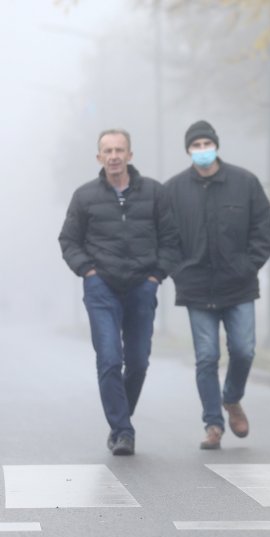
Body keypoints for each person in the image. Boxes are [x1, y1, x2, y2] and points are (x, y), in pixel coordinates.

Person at [59, 129, 180, 456]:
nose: (113, 156)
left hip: (142, 286)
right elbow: (68, 241)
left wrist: (156, 275)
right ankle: (123, 430)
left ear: (129, 155)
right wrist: (88, 271)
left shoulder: (154, 193)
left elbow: (171, 239)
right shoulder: (84, 196)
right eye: (107, 150)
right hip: (102, 288)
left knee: (138, 363)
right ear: (99, 157)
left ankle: (120, 416)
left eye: (119, 150)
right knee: (110, 359)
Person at [165, 120, 270, 450]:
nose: (201, 151)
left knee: (243, 349)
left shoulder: (245, 183)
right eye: (195, 146)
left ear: (216, 146)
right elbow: (166, 238)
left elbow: (262, 232)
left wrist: (247, 265)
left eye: (205, 144)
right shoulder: (173, 190)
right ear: (188, 151)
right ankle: (213, 423)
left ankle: (232, 398)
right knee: (206, 356)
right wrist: (179, 271)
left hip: (238, 286)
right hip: (196, 289)